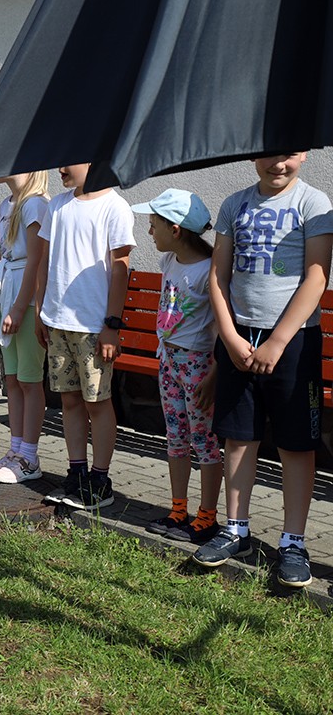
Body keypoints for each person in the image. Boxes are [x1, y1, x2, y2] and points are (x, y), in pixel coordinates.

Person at [193, 153, 333, 589]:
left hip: (294, 342)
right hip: (239, 339)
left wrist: (278, 341)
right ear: (254, 154)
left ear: (304, 155)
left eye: (290, 153)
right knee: (238, 437)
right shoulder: (234, 204)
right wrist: (230, 336)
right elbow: (218, 275)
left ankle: (293, 542)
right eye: (270, 153)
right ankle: (236, 529)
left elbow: (317, 277)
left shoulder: (313, 203)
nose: (279, 163)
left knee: (296, 443)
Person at [34, 162, 135, 509]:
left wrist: (112, 325)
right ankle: (76, 472)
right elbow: (45, 261)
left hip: (93, 326)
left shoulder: (114, 207)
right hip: (58, 322)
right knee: (69, 400)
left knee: (97, 402)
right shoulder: (57, 205)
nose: (61, 167)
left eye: (71, 159)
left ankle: (100, 479)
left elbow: (120, 269)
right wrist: (40, 311)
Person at [129, 189, 223, 544]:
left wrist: (214, 375)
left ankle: (208, 516)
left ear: (176, 229)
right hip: (168, 361)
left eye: (154, 224)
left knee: (204, 439)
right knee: (176, 436)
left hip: (198, 365)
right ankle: (178, 509)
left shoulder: (209, 270)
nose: (149, 231)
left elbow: (221, 325)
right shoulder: (170, 261)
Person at [0, 171, 51, 484]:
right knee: (12, 379)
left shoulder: (35, 204)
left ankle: (30, 456)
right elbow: (3, 254)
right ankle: (15, 449)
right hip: (7, 296)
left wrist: (21, 308)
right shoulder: (6, 204)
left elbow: (37, 260)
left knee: (29, 379)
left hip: (27, 300)